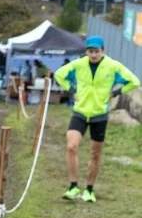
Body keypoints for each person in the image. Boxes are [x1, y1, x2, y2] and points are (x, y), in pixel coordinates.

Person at [53, 35, 140, 202]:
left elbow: (134, 81)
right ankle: (73, 186)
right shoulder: (79, 64)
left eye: (96, 51)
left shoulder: (112, 66)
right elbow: (59, 75)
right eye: (90, 51)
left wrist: (115, 93)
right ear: (86, 51)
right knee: (71, 146)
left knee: (95, 153)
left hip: (100, 114)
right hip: (80, 112)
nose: (93, 55)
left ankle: (90, 190)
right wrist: (71, 91)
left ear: (103, 51)